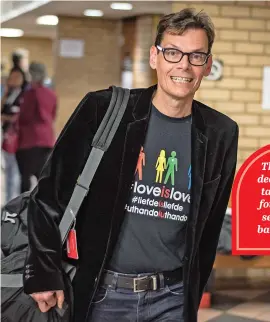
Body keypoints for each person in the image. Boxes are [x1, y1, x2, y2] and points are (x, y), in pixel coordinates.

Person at [23, 8, 238, 322]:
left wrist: (191, 294)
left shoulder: (220, 132)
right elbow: (48, 196)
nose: (184, 65)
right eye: (173, 53)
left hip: (172, 298)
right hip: (104, 293)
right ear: (155, 57)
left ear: (207, 64)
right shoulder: (104, 110)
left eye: (196, 56)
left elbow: (210, 224)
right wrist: (43, 273)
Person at [16, 62, 57, 193]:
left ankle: (22, 208)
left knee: (25, 177)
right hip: (47, 140)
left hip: (29, 140)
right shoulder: (52, 94)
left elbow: (25, 117)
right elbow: (53, 115)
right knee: (42, 177)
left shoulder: (30, 94)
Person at [1, 68, 27, 202]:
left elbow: (20, 116)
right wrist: (5, 92)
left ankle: (14, 201)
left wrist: (7, 118)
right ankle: (8, 201)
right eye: (12, 77)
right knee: (9, 170)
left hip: (18, 138)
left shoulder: (25, 94)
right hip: (7, 137)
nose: (14, 80)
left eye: (17, 77)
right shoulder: (10, 94)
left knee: (16, 171)